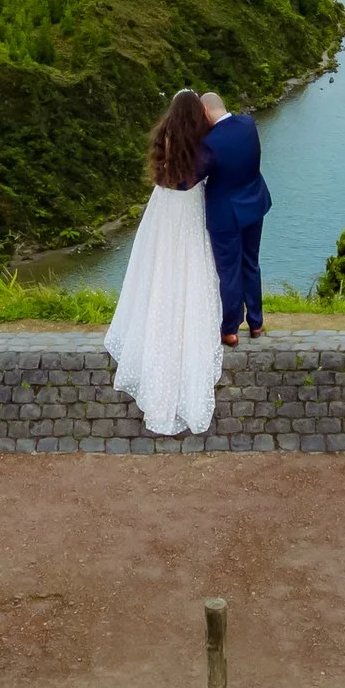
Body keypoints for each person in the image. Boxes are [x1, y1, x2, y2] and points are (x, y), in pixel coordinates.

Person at [103, 89, 225, 435]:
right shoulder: (203, 146)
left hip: (163, 212)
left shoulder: (165, 139)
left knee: (158, 271)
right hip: (188, 213)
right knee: (191, 271)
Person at [198, 90, 270, 344]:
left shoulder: (210, 143)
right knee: (251, 263)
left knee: (229, 271)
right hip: (254, 204)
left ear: (205, 111)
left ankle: (230, 329)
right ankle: (256, 323)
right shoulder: (248, 125)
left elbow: (193, 177)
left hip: (225, 214)